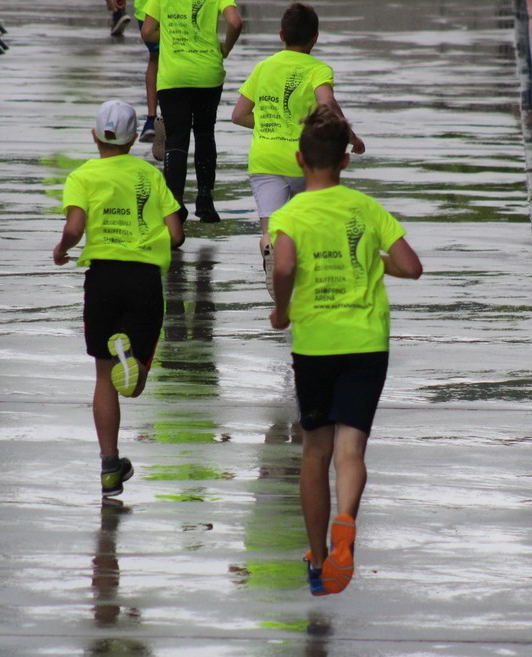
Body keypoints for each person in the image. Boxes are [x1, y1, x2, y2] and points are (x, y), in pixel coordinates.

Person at [267, 105, 422, 596]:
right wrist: (371, 262)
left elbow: (286, 265)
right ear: (344, 162)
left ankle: (317, 560)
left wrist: (280, 308)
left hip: (315, 345)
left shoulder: (288, 215)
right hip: (366, 343)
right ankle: (346, 522)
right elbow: (411, 266)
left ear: (299, 159)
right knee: (351, 448)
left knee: (315, 451)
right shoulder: (365, 209)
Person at [53, 100, 185, 497]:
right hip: (144, 277)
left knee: (103, 377)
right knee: (134, 380)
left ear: (94, 136)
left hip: (102, 278)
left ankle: (109, 467)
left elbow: (75, 227)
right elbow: (176, 234)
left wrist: (63, 248)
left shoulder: (82, 176)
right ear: (132, 140)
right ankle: (133, 359)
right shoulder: (149, 175)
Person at [230, 2, 365, 295]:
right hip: (305, 160)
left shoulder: (263, 68)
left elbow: (238, 115)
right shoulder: (317, 69)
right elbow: (327, 103)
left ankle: (271, 251)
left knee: (271, 230)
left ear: (281, 35)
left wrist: (269, 124)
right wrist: (350, 136)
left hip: (265, 159)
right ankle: (306, 284)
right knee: (305, 226)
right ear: (315, 37)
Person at [141, 0, 243, 224]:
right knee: (205, 133)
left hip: (173, 78)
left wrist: (169, 38)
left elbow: (147, 31)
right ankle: (205, 199)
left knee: (176, 138)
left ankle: (175, 205)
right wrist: (226, 47)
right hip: (208, 74)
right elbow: (235, 22)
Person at [133, 0, 159, 142]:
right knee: (178, 56)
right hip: (178, 9)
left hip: (147, 9)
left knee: (154, 59)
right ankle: (172, 117)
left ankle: (151, 118)